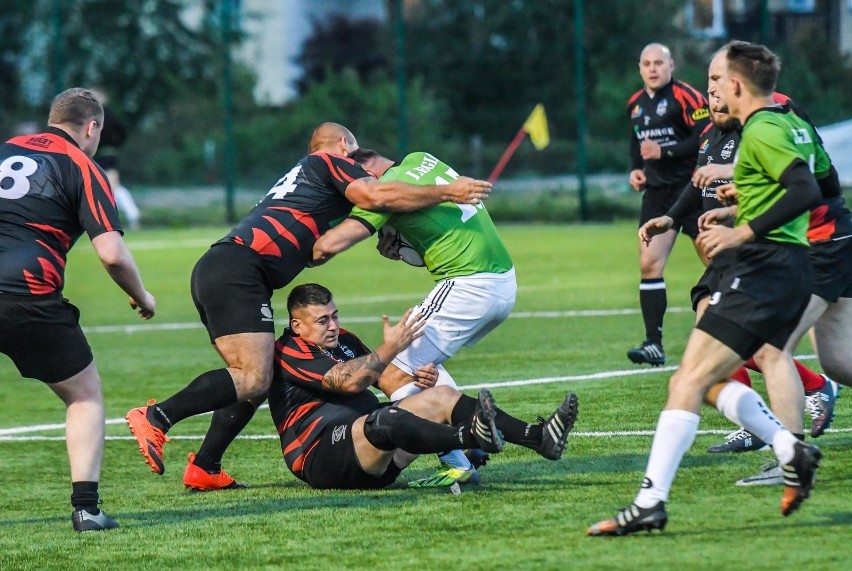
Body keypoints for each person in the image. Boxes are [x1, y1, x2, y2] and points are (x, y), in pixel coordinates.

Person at [126, 123, 492, 490]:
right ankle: (157, 416)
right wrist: (446, 191)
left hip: (228, 269)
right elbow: (375, 196)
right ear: (345, 145)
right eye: (357, 160)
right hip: (239, 270)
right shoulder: (328, 160)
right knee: (253, 377)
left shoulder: (305, 181)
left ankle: (205, 466)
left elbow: (316, 250)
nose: (361, 168)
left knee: (254, 375)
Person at [588, 41, 823, 537]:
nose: (709, 89)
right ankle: (789, 449)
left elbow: (807, 190)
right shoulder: (764, 128)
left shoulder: (762, 128)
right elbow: (803, 186)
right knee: (709, 382)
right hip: (780, 268)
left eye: (716, 80)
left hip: (763, 269)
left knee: (688, 382)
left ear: (736, 84)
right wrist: (738, 206)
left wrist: (743, 230)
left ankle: (651, 502)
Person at [639, 102, 838, 459]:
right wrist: (671, 218)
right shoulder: (708, 134)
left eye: (721, 83)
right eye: (710, 85)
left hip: (764, 247)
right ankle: (794, 410)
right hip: (733, 245)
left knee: (755, 347)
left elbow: (803, 183)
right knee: (718, 335)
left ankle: (788, 436)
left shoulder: (763, 125)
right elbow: (698, 180)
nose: (714, 96)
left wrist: (738, 215)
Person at [312, 148, 518, 485]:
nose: (356, 191)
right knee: (421, 369)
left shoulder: (384, 192)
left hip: (470, 283)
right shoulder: (421, 159)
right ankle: (477, 445)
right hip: (502, 280)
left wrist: (299, 249)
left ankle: (460, 457)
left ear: (364, 172)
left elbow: (330, 245)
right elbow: (434, 225)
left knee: (392, 369)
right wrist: (403, 243)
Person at [0, 88, 156, 531]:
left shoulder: (5, 150)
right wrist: (142, 295)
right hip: (27, 295)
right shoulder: (84, 167)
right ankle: (87, 510)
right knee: (84, 395)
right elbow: (112, 254)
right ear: (92, 128)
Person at [268, 283, 579, 490]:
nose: (333, 326)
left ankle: (538, 438)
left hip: (372, 447)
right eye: (323, 321)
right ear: (298, 325)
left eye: (335, 316)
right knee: (386, 418)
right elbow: (349, 381)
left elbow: (382, 376)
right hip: (321, 456)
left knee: (440, 396)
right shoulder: (289, 349)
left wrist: (418, 382)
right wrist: (391, 347)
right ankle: (471, 439)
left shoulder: (344, 340)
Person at [626, 42, 711, 366]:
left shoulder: (687, 97)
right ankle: (653, 344)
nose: (652, 68)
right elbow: (636, 142)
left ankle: (738, 327)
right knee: (649, 265)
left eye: (658, 63)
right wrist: (637, 169)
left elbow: (705, 138)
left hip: (693, 190)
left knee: (716, 263)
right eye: (646, 63)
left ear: (671, 65)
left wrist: (666, 152)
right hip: (658, 194)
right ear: (640, 68)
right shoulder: (635, 104)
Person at [90, 88, 142, 231]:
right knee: (104, 189)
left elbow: (120, 132)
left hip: (106, 156)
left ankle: (132, 215)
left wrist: (111, 144)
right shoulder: (97, 116)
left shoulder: (105, 116)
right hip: (99, 156)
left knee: (113, 188)